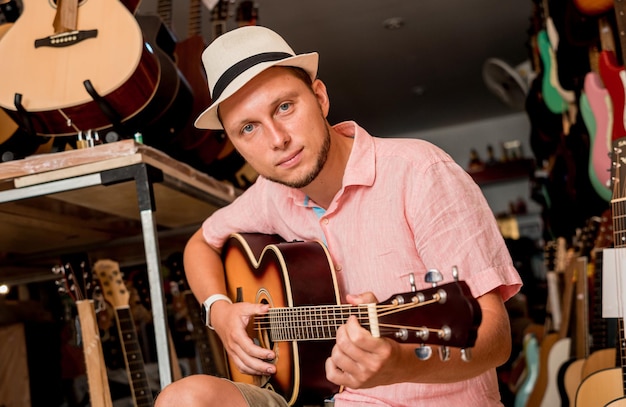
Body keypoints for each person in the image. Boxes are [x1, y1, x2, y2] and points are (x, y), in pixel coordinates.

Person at [154, 25, 522, 407]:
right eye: (249, 128)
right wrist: (222, 312)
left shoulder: (420, 172)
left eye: (284, 107)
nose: (277, 139)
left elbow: (495, 338)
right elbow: (201, 243)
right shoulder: (271, 194)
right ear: (236, 145)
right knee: (182, 399)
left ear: (319, 97)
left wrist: (400, 364)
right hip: (319, 396)